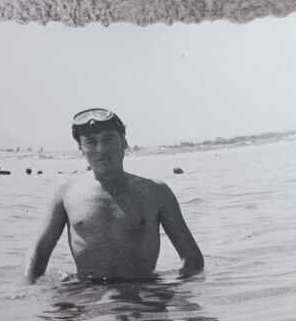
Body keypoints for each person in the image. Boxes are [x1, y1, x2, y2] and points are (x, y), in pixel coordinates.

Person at [25, 108, 204, 283]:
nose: (101, 149)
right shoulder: (66, 193)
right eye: (90, 142)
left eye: (108, 139)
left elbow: (192, 259)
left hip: (142, 294)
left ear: (124, 142)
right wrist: (31, 294)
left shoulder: (156, 192)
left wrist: (171, 294)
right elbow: (39, 254)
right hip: (87, 296)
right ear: (81, 147)